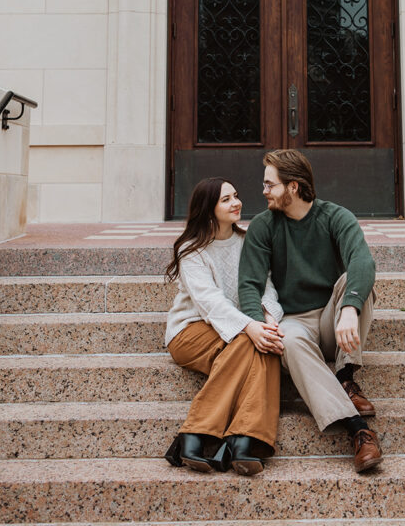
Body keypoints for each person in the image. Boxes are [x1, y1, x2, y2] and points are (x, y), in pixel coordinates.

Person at [238, 149, 383, 472]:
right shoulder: (263, 226)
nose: (263, 192)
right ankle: (357, 427)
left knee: (356, 281)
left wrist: (348, 308)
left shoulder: (335, 216)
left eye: (269, 185)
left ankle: (345, 376)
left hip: (333, 317)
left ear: (293, 186)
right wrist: (256, 324)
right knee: (288, 339)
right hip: (295, 321)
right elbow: (249, 283)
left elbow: (362, 260)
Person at [163, 176, 284, 475]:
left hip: (238, 329)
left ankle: (232, 441)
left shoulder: (247, 242)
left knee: (263, 347)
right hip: (191, 331)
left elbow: (265, 286)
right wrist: (252, 328)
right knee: (254, 343)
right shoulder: (192, 250)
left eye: (236, 195)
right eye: (226, 199)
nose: (237, 203)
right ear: (208, 208)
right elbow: (211, 304)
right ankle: (230, 438)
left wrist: (268, 318)